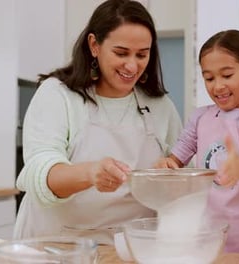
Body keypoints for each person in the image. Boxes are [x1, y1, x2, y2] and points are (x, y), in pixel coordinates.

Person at [13, 0, 182, 245]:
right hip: (58, 247)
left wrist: (171, 176)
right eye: (121, 53)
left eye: (142, 54)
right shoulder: (57, 95)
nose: (132, 65)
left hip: (129, 250)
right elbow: (42, 173)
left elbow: (181, 176)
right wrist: (91, 173)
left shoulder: (160, 106)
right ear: (94, 45)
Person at [155, 29, 239, 254]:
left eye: (227, 75)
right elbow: (176, 160)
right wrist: (167, 166)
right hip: (206, 235)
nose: (217, 86)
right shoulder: (199, 117)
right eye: (209, 78)